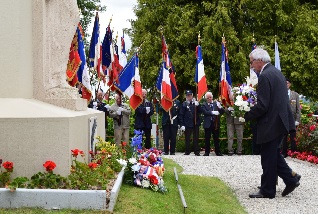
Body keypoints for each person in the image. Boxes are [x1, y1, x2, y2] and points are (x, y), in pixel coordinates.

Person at [245, 48, 300, 199]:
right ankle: (291, 179)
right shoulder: (276, 73)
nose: (251, 65)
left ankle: (268, 190)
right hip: (280, 121)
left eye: (252, 62)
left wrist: (247, 114)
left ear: (259, 60)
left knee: (268, 157)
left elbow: (263, 105)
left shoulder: (264, 76)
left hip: (271, 122)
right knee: (272, 154)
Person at [281, 78, 301, 157]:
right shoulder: (280, 94)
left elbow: (298, 108)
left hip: (293, 119)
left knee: (293, 136)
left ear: (290, 84)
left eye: (287, 83)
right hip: (284, 118)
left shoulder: (295, 94)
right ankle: (284, 152)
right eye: (285, 83)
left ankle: (293, 152)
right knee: (284, 136)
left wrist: (298, 120)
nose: (286, 85)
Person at [201, 92, 225, 156]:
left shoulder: (215, 104)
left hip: (215, 123)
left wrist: (220, 107)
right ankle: (207, 152)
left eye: (210, 97)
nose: (209, 98)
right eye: (208, 98)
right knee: (207, 138)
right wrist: (212, 112)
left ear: (212, 97)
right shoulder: (204, 104)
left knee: (216, 138)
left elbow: (222, 112)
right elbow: (205, 112)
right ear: (206, 98)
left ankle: (217, 152)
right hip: (208, 123)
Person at [179, 90, 202, 156]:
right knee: (187, 138)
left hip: (195, 123)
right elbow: (181, 114)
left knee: (196, 138)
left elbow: (200, 112)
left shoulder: (195, 103)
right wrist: (182, 124)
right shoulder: (184, 104)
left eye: (190, 95)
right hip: (187, 123)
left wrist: (198, 105)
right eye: (187, 95)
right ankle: (187, 151)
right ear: (186, 96)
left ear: (192, 95)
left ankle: (196, 151)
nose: (189, 97)